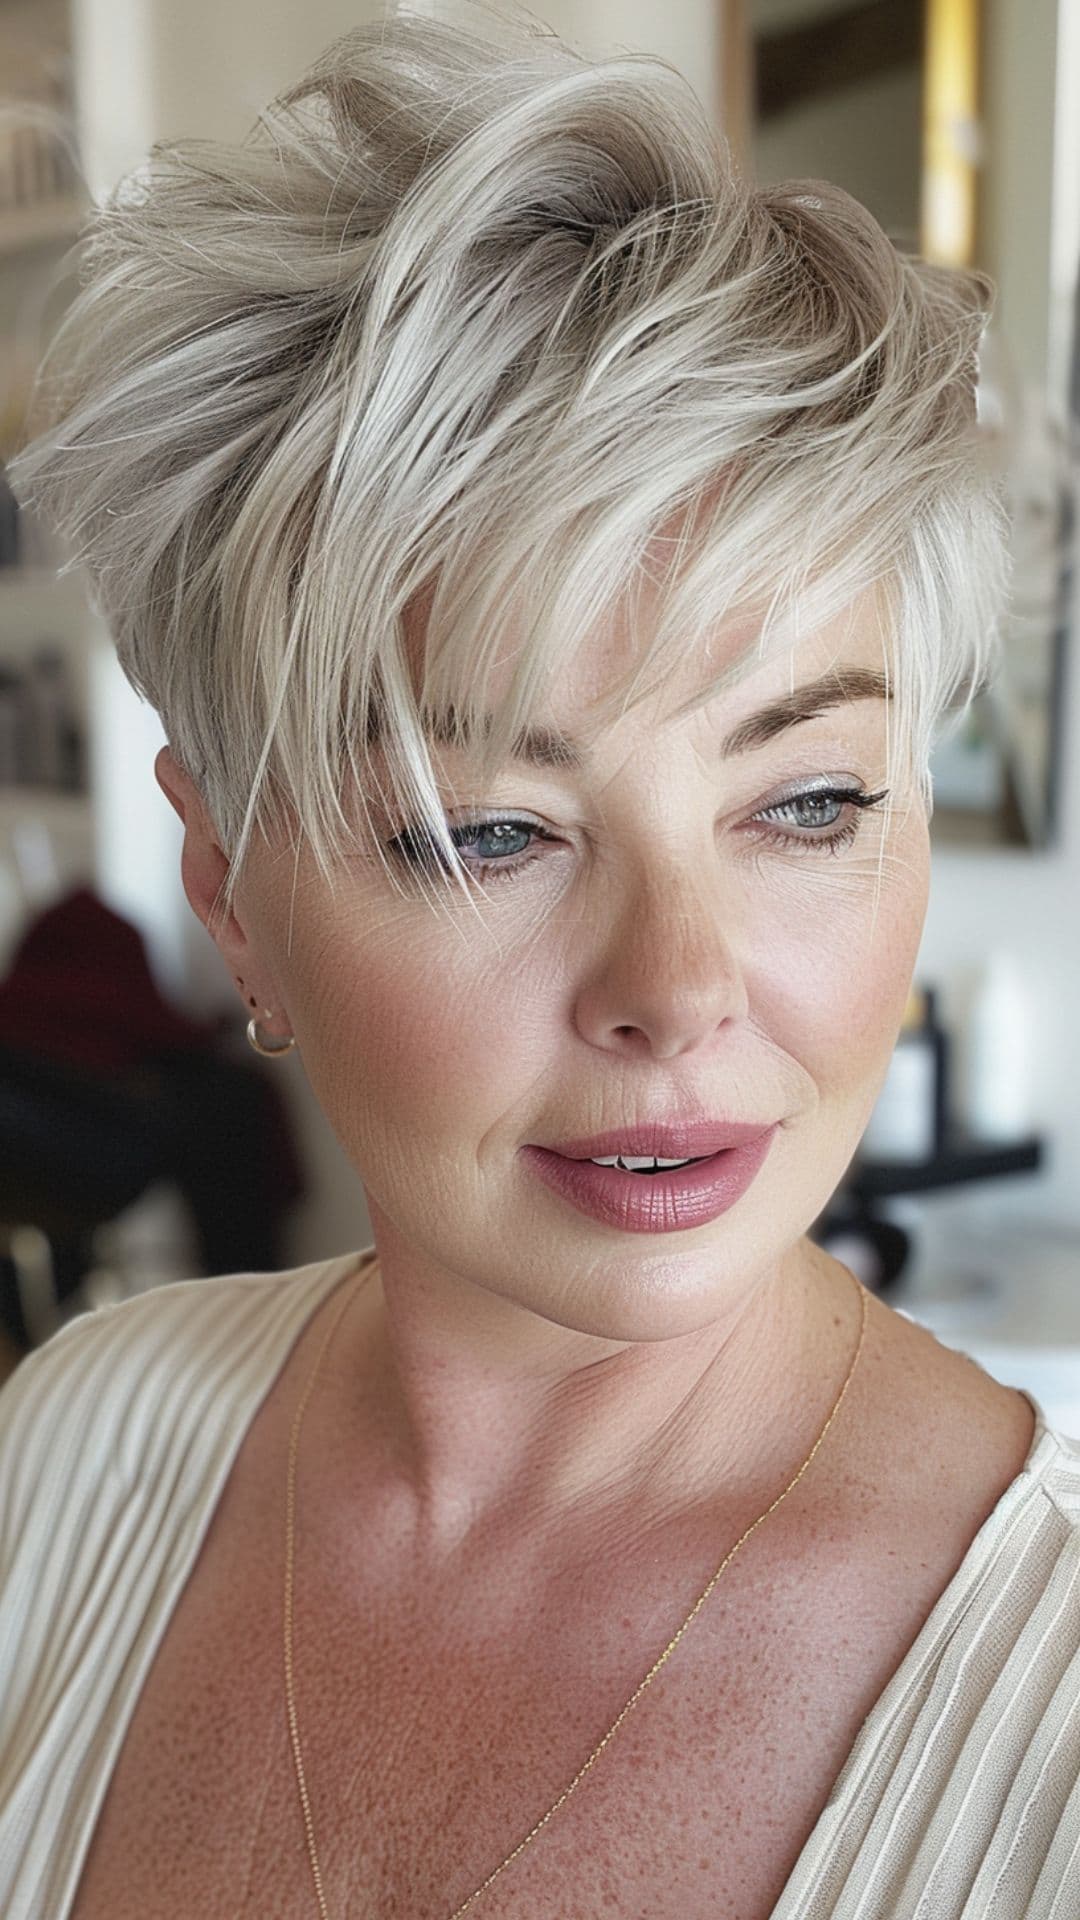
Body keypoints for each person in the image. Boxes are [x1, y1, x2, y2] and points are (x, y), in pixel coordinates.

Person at [1, 6, 1077, 1917]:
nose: (680, 986)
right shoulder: (63, 1454)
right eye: (489, 829)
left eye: (811, 804)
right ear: (233, 887)